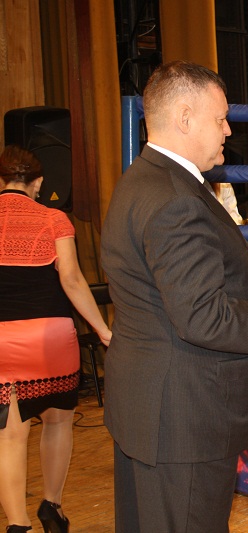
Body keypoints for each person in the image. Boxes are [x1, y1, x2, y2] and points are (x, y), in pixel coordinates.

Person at [100, 60, 248, 533]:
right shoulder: (176, 197)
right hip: (184, 415)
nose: (228, 130)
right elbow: (202, 316)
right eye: (220, 118)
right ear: (185, 118)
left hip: (151, 407)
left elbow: (170, 277)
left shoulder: (144, 178)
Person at [0, 145, 113, 533]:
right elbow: (71, 280)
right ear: (38, 182)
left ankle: (17, 524)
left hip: (2, 339)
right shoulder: (54, 219)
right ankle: (52, 506)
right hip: (50, 335)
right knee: (59, 421)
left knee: (11, 435)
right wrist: (102, 328)